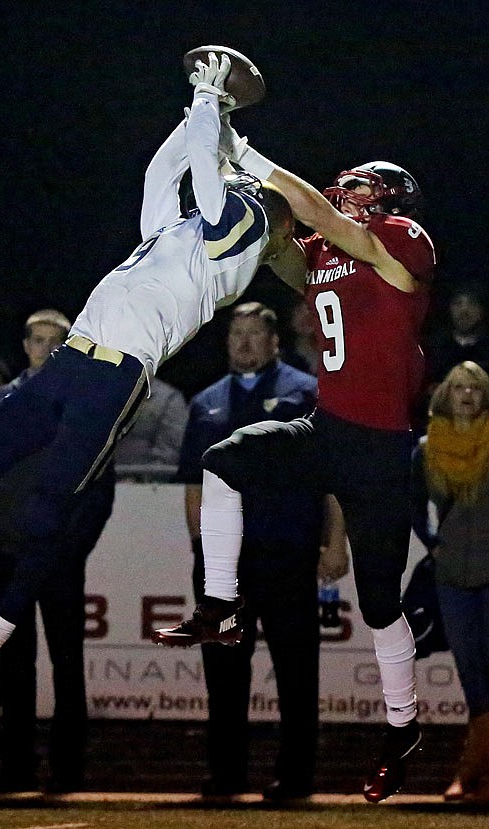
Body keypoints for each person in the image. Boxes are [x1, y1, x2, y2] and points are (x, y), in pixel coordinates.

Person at [0, 54, 297, 705]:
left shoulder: (240, 244)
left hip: (117, 379)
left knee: (48, 512)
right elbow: (164, 168)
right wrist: (207, 107)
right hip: (71, 361)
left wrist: (208, 100)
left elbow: (211, 179)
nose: (231, 183)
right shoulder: (177, 234)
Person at [153, 101, 436, 804]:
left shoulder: (404, 240)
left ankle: (401, 731)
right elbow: (282, 245)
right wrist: (225, 180)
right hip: (327, 429)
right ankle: (220, 603)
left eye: (364, 188)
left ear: (393, 199)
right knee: (222, 459)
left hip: (377, 451)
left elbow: (324, 218)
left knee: (378, 606)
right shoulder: (330, 252)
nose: (351, 194)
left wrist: (249, 154)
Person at [178, 300, 347, 800]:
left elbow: (332, 479)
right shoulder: (205, 402)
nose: (244, 344)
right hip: (224, 564)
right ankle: (226, 775)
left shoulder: (307, 393)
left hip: (287, 553)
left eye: (254, 335)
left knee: (296, 670)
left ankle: (295, 777)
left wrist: (334, 544)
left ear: (275, 342)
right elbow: (193, 485)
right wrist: (202, 551)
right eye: (236, 336)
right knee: (224, 671)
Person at [0, 308, 114, 793]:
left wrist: (72, 549)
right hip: (4, 557)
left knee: (66, 662)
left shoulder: (93, 405)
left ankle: (68, 769)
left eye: (57, 341)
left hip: (57, 559)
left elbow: (100, 491)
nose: (47, 349)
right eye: (38, 340)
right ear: (26, 345)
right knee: (12, 664)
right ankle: (16, 768)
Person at [411, 361, 489, 802]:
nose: (466, 394)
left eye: (475, 388)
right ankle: (476, 771)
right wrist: (433, 543)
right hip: (453, 572)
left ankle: (470, 771)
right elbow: (412, 505)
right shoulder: (427, 448)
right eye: (458, 387)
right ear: (444, 394)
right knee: (471, 672)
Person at [115, 376, 188, 468]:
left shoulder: (168, 399)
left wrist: (143, 479)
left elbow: (169, 453)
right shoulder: (100, 392)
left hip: (148, 477)